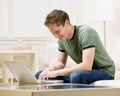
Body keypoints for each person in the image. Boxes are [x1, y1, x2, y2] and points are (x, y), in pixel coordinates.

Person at [35, 9, 115, 84]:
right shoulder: (62, 39)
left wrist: (55, 73)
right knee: (40, 75)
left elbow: (87, 66)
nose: (56, 36)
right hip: (84, 73)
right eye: (53, 33)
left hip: (104, 72)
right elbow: (61, 62)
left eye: (57, 31)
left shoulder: (86, 32)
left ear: (67, 23)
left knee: (76, 76)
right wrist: (51, 69)